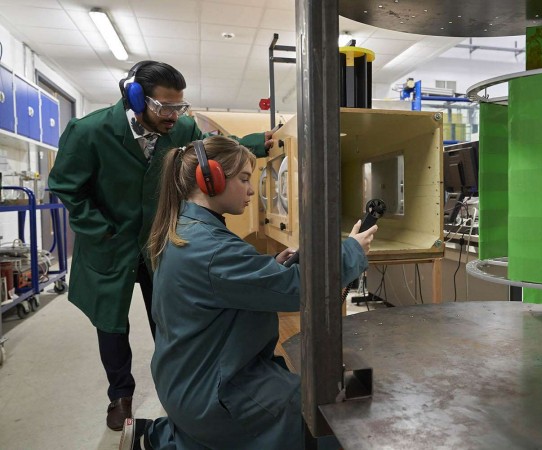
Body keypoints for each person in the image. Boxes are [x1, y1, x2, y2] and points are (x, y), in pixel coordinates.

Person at [48, 60, 273, 431]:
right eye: (164, 107)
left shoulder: (180, 128)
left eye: (179, 107)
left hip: (157, 242)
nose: (173, 115)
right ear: (136, 98)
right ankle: (120, 395)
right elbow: (66, 186)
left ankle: (178, 387)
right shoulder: (89, 131)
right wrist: (100, 229)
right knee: (112, 323)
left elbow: (206, 155)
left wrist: (252, 144)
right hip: (109, 245)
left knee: (171, 317)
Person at [118, 136, 378, 449]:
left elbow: (222, 283)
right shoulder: (211, 249)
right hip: (213, 393)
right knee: (325, 414)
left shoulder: (187, 230)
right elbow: (296, 291)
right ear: (210, 180)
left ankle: (163, 438)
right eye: (244, 179)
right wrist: (351, 252)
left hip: (184, 378)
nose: (252, 190)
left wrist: (269, 266)